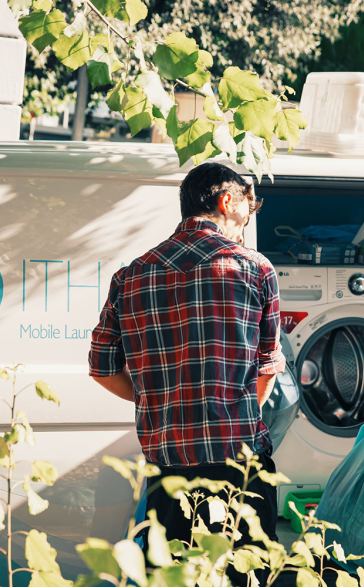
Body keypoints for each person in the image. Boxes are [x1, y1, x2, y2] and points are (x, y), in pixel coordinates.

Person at [88, 162, 285, 583]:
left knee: (173, 576)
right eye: (245, 215)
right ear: (225, 201)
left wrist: (156, 398)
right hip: (239, 465)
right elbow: (267, 368)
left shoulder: (131, 275)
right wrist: (237, 414)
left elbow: (101, 369)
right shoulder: (254, 268)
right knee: (245, 575)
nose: (244, 227)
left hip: (169, 468)